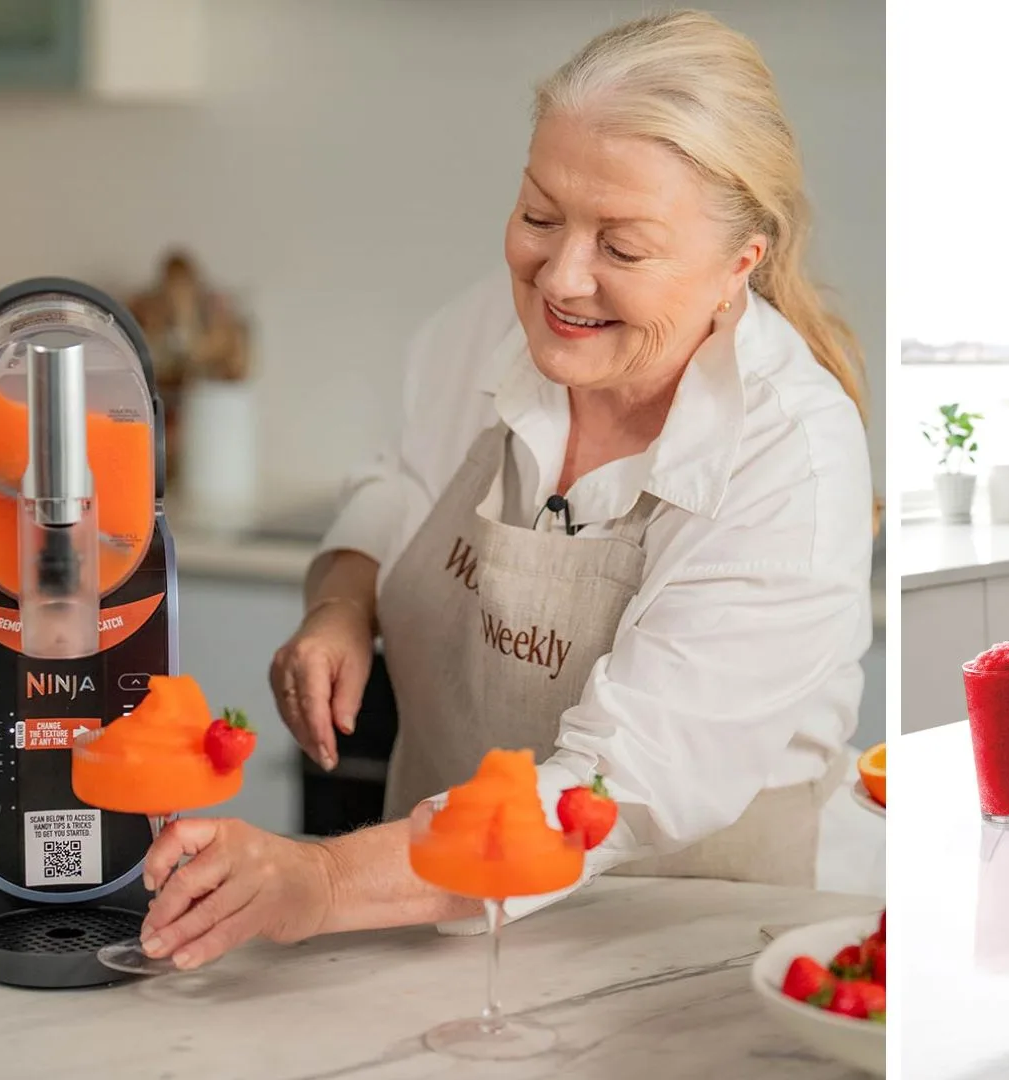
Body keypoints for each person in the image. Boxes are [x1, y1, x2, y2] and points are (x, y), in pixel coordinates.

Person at [135, 10, 872, 970]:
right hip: (423, 932)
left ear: (740, 264)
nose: (560, 277)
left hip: (686, 958)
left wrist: (322, 881)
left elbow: (608, 792)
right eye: (539, 216)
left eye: (622, 247)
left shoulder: (791, 458)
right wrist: (342, 604)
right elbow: (400, 484)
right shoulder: (489, 326)